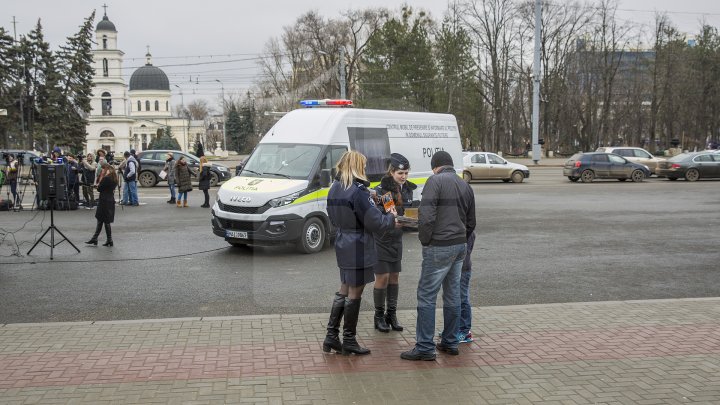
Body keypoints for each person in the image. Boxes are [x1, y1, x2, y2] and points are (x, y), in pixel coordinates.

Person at [401, 150, 476, 361]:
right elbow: (471, 222)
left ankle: (424, 347)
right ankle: (451, 341)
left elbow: (426, 216)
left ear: (436, 167)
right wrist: (461, 238)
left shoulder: (434, 181)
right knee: (453, 295)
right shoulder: (465, 184)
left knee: (426, 294)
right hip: (460, 246)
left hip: (439, 246)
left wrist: (426, 241)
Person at [323, 151, 397, 355]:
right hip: (359, 244)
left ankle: (331, 336)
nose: (365, 169)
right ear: (357, 167)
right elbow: (376, 223)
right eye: (363, 166)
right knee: (355, 292)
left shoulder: (335, 187)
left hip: (342, 241)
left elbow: (333, 215)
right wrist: (390, 217)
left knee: (344, 288)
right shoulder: (358, 191)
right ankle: (349, 340)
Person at [372, 153, 416, 333]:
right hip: (382, 238)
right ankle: (379, 316)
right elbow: (388, 214)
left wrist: (414, 218)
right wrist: (399, 218)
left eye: (406, 173)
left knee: (395, 275)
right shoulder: (382, 190)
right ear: (391, 172)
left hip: (397, 238)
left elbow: (409, 211)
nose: (404, 177)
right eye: (400, 173)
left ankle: (392, 314)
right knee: (382, 277)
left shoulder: (407, 189)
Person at [86, 162, 118, 247]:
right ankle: (100, 239)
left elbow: (100, 189)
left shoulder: (106, 178)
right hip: (110, 200)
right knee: (103, 220)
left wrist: (97, 186)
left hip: (104, 200)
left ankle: (104, 239)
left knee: (102, 220)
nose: (103, 171)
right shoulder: (114, 178)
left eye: (103, 169)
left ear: (106, 169)